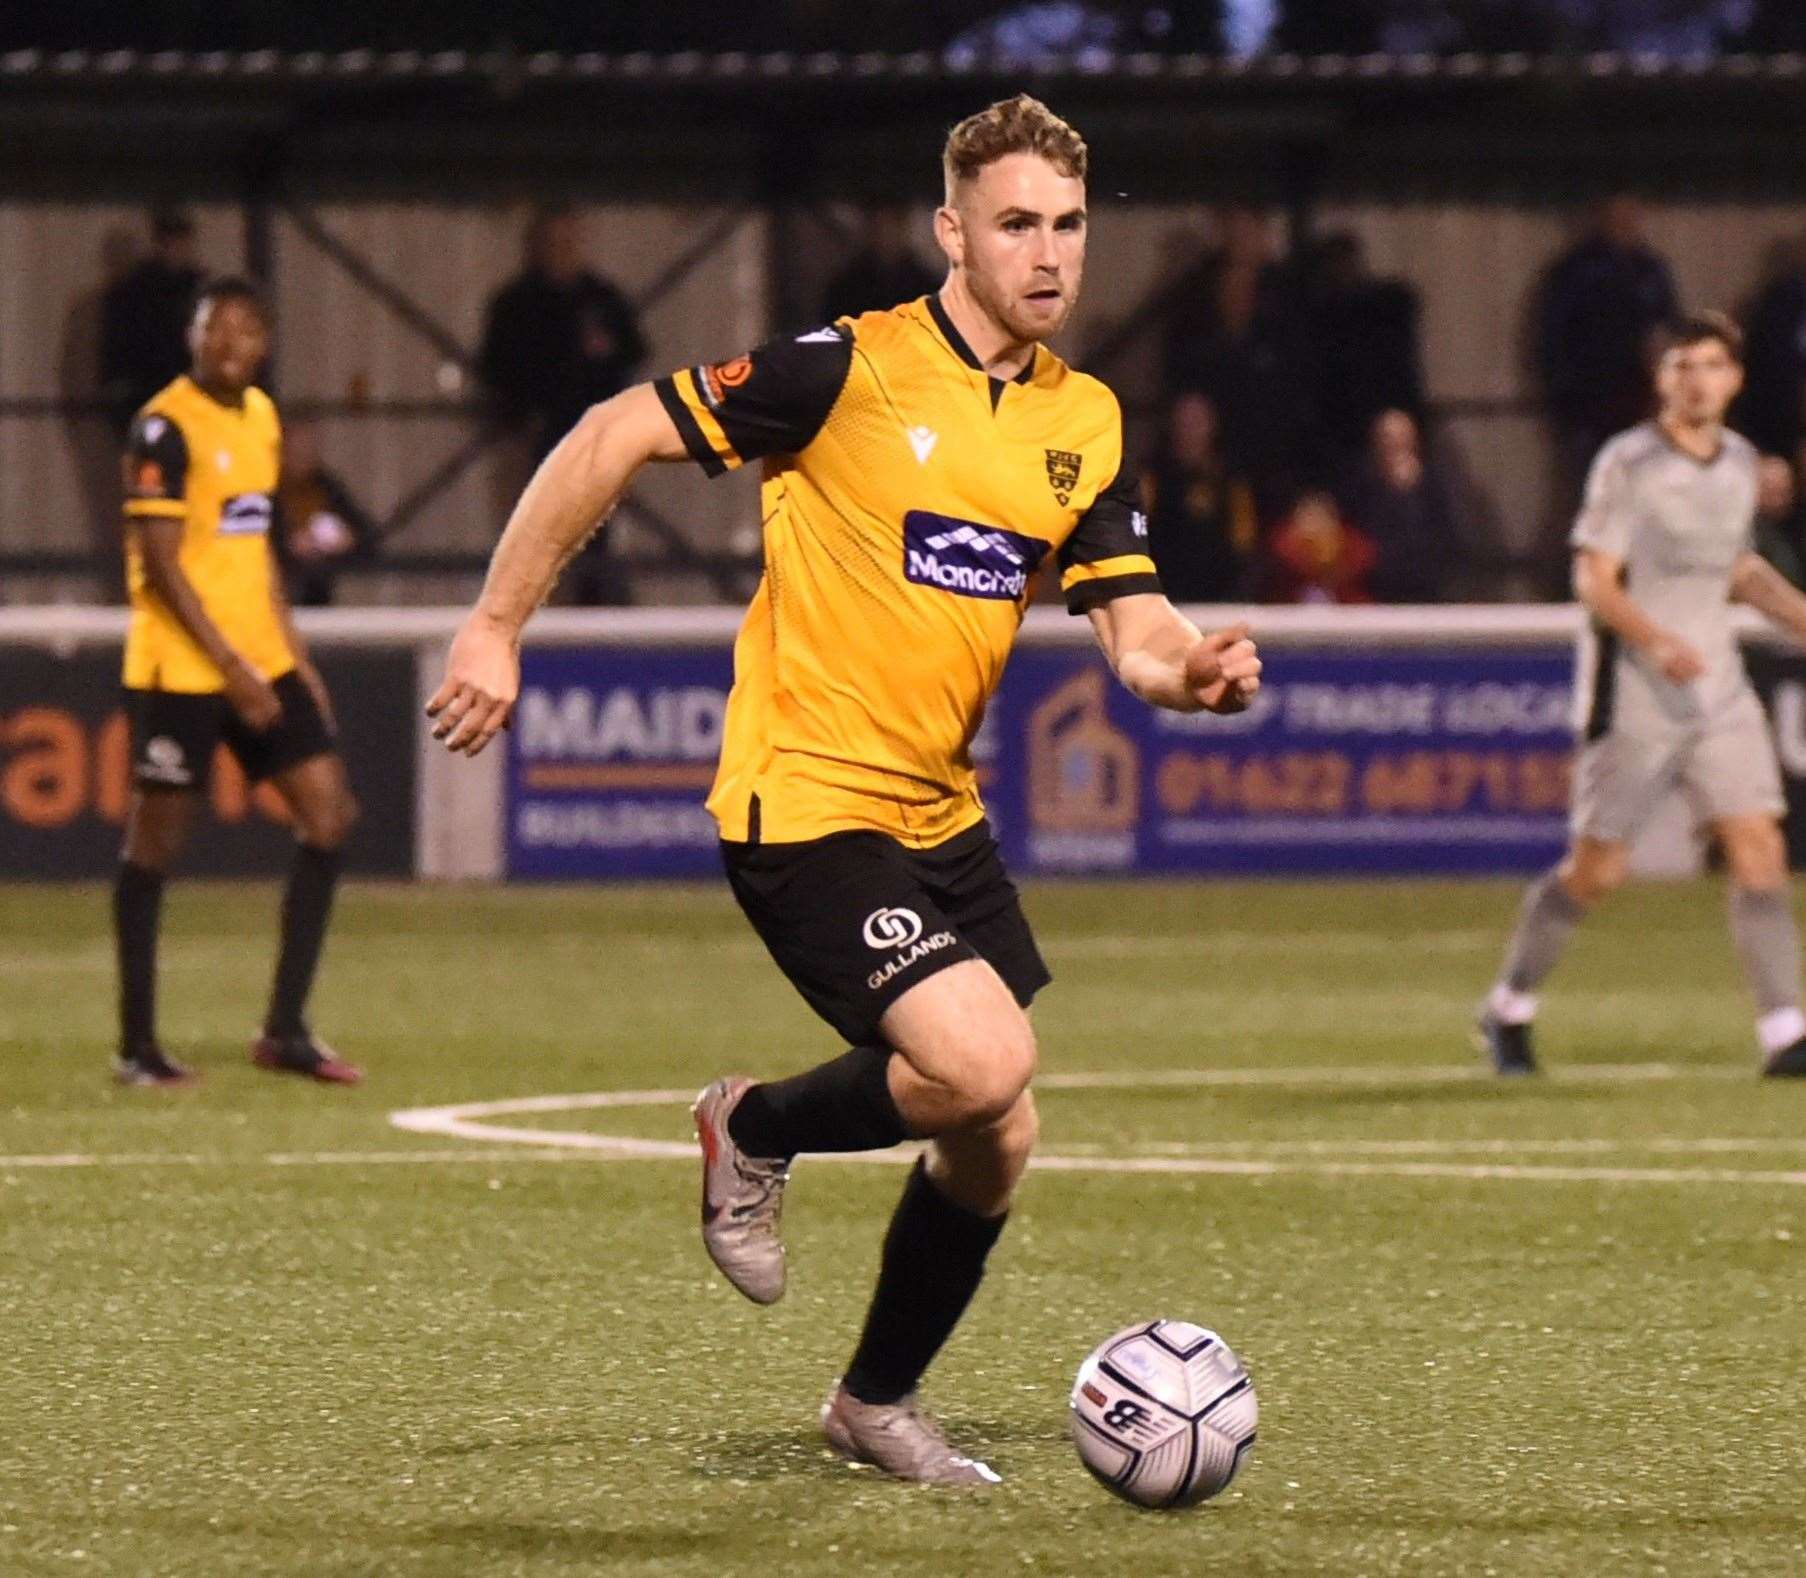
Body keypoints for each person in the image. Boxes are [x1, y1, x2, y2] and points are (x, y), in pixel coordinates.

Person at [427, 95, 1261, 1485]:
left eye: (1065, 226)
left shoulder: (1085, 420)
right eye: (1014, 225)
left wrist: (1198, 673)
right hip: (804, 798)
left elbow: (1133, 628)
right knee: (981, 1060)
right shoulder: (847, 370)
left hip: (939, 814)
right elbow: (607, 432)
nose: (1048, 255)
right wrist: (493, 626)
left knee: (997, 1137)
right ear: (950, 234)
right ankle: (748, 1123)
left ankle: (872, 1403)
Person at [1477, 313, 1806, 1080]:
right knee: (1597, 872)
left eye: (1713, 365)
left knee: (1759, 848)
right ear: (1663, 380)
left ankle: (1786, 1029)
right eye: (1683, 365)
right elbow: (1594, 578)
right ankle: (1508, 1007)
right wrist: (1655, 638)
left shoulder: (1740, 465)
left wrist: (1797, 615)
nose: (1698, 379)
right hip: (1636, 696)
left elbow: (1741, 570)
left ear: (1735, 379)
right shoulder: (1628, 464)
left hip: (1718, 692)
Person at [114, 278, 362, 1088]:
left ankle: (285, 1030)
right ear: (193, 336)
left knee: (329, 816)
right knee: (156, 844)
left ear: (264, 343)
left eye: (248, 329)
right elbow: (158, 565)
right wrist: (231, 671)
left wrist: (293, 659)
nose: (232, 342)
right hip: (181, 667)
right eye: (216, 327)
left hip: (260, 658)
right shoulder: (163, 426)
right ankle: (139, 1047)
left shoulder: (260, 416)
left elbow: (254, 550)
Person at [478, 206, 647, 605]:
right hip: (535, 442)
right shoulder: (516, 304)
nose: (562, 252)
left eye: (569, 242)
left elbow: (631, 353)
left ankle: (599, 608)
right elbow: (495, 369)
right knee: (535, 537)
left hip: (597, 441)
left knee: (596, 533)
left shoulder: (601, 300)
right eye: (553, 243)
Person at [1533, 195, 1678, 591]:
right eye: (1618, 218)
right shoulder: (1575, 272)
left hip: (1643, 412)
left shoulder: (1651, 272)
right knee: (1591, 503)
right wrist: (1565, 398)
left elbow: (1669, 334)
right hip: (1590, 412)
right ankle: (1580, 589)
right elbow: (1552, 341)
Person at [1139, 389, 1260, 602]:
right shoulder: (1154, 478)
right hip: (1165, 602)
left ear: (1213, 426)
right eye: (1184, 422)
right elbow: (1135, 541)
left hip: (1219, 603)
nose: (1190, 430)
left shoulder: (1231, 483)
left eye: (1197, 422)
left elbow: (1244, 548)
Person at [100, 209, 205, 439]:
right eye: (170, 240)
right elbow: (117, 348)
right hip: (149, 395)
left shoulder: (200, 290)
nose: (175, 248)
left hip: (188, 400)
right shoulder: (134, 292)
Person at [1342, 408, 1460, 603]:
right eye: (1387, 437)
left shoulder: (1434, 481)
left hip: (1427, 586)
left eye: (1401, 435)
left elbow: (1446, 531)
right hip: (1376, 588)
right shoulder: (1363, 482)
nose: (1395, 443)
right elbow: (1355, 529)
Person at [274, 423, 377, 607]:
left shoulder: (325, 486)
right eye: (295, 451)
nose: (303, 457)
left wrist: (347, 539)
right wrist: (289, 544)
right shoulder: (269, 492)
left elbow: (366, 532)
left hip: (321, 590)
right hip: (279, 592)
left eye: (308, 450)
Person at [820, 205, 940, 322]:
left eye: (891, 227)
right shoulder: (847, 288)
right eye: (880, 227)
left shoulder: (925, 286)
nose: (886, 234)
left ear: (902, 228)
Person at [1265, 488, 1377, 604]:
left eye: (1321, 516)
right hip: (1290, 604)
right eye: (1309, 516)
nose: (1315, 523)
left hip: (1344, 605)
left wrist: (1331, 555)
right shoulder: (1285, 542)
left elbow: (1364, 557)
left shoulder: (1349, 542)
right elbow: (1283, 564)